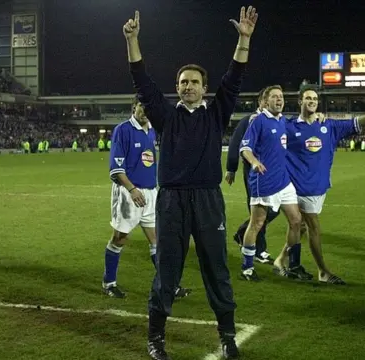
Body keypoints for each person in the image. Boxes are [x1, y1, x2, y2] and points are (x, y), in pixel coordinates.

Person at [123, 6, 258, 360]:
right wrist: (133, 40)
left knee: (216, 267)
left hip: (208, 200)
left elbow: (235, 76)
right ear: (177, 88)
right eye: (183, 82)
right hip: (171, 201)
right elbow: (142, 81)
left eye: (194, 82)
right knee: (167, 269)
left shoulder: (217, 114)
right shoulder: (166, 116)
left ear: (204, 88)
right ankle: (156, 339)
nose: (188, 87)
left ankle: (227, 337)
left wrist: (244, 39)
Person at [285, 88, 365, 284]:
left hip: (320, 187)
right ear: (300, 101)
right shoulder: (289, 126)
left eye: (315, 98)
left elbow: (357, 123)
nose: (312, 101)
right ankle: (323, 271)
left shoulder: (329, 126)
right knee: (313, 228)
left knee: (298, 227)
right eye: (308, 98)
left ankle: (281, 261)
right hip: (299, 188)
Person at [104, 97, 192, 299]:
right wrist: (133, 190)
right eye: (141, 106)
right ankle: (109, 282)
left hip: (151, 193)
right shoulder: (123, 130)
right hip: (129, 193)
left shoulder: (152, 130)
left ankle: (170, 285)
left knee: (156, 240)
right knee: (120, 238)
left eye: (148, 107)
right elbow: (117, 169)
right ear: (134, 107)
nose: (144, 111)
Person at [239, 85, 309, 282]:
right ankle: (247, 268)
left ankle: (293, 264)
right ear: (265, 101)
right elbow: (245, 148)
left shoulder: (283, 121)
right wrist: (254, 162)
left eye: (281, 97)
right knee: (257, 224)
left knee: (297, 222)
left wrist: (317, 116)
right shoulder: (258, 121)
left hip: (284, 182)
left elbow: (302, 125)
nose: (279, 100)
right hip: (264, 182)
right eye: (275, 97)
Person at [225, 87, 276, 264]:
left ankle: (242, 232)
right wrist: (231, 168)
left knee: (275, 208)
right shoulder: (250, 120)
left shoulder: (275, 121)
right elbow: (235, 144)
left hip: (275, 174)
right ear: (261, 102)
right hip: (255, 172)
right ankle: (258, 250)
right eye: (268, 99)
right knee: (259, 210)